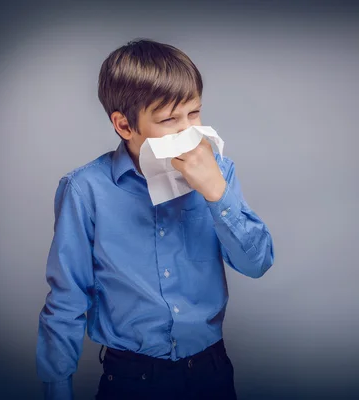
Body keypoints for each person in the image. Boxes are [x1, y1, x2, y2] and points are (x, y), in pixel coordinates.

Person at [35, 39, 275, 400]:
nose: (188, 131)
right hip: (130, 379)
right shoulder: (86, 190)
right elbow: (67, 298)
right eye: (168, 120)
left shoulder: (218, 171)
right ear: (124, 125)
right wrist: (57, 389)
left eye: (194, 113)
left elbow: (257, 264)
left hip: (210, 372)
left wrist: (216, 194)